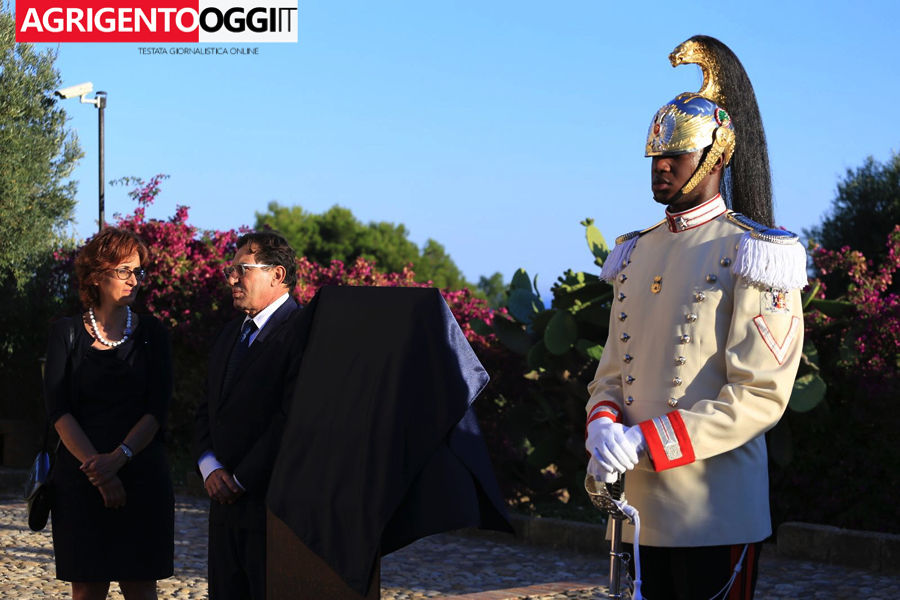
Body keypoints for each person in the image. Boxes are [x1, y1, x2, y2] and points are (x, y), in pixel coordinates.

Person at [585, 36, 808, 599]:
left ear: (717, 155)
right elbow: (611, 375)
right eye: (655, 155)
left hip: (714, 512)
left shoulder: (758, 252)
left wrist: (646, 441)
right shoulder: (634, 251)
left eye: (677, 154)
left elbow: (759, 395)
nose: (660, 166)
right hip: (637, 512)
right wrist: (603, 425)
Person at [43, 227, 174, 600]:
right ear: (96, 276)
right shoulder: (65, 333)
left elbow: (157, 408)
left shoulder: (153, 333)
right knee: (87, 588)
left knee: (140, 586)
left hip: (143, 478)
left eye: (138, 271)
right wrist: (99, 473)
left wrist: (118, 459)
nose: (134, 280)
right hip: (80, 482)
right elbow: (59, 410)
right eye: (124, 270)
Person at [193, 231, 302, 600]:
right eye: (231, 270)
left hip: (272, 510)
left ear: (277, 275)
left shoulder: (302, 332)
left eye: (242, 269)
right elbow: (206, 407)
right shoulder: (229, 334)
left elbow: (292, 418)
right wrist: (210, 467)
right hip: (223, 510)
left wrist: (241, 478)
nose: (232, 279)